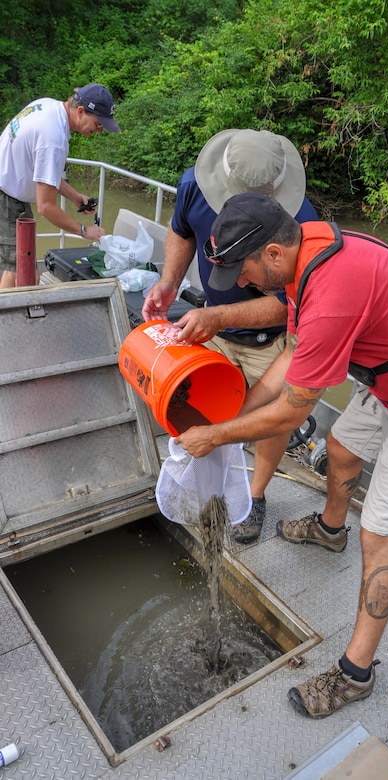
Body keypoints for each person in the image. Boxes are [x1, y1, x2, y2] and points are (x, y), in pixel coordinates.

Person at [175, 191, 388, 718]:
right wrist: (226, 419)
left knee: (383, 535)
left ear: (273, 253)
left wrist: (215, 438)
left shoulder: (333, 290)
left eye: (246, 270)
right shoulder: (308, 249)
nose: (245, 282)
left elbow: (292, 413)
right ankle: (329, 529)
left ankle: (356, 674)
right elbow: (291, 357)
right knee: (341, 446)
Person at [142, 129, 318, 544]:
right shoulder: (194, 185)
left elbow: (290, 305)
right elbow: (181, 230)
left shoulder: (301, 221)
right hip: (211, 324)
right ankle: (208, 488)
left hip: (269, 339)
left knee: (272, 419)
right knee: (199, 401)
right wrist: (169, 281)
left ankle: (254, 497)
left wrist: (220, 315)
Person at [0, 83, 120, 288]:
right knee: (25, 276)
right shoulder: (53, 137)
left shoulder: (48, 106)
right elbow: (46, 207)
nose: (99, 131)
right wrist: (84, 231)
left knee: (14, 270)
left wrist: (73, 196)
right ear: (81, 111)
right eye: (98, 124)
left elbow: (42, 172)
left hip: (7, 189)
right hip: (8, 200)